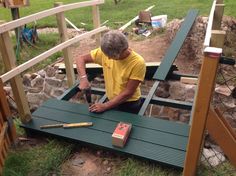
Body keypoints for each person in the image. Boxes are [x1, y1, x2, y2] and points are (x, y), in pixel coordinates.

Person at [76, 30, 146, 114]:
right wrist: (83, 79)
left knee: (127, 126)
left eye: (111, 57)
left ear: (121, 52)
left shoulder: (137, 63)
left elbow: (128, 92)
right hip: (111, 100)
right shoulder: (106, 52)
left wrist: (105, 106)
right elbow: (80, 59)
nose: (108, 59)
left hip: (129, 104)